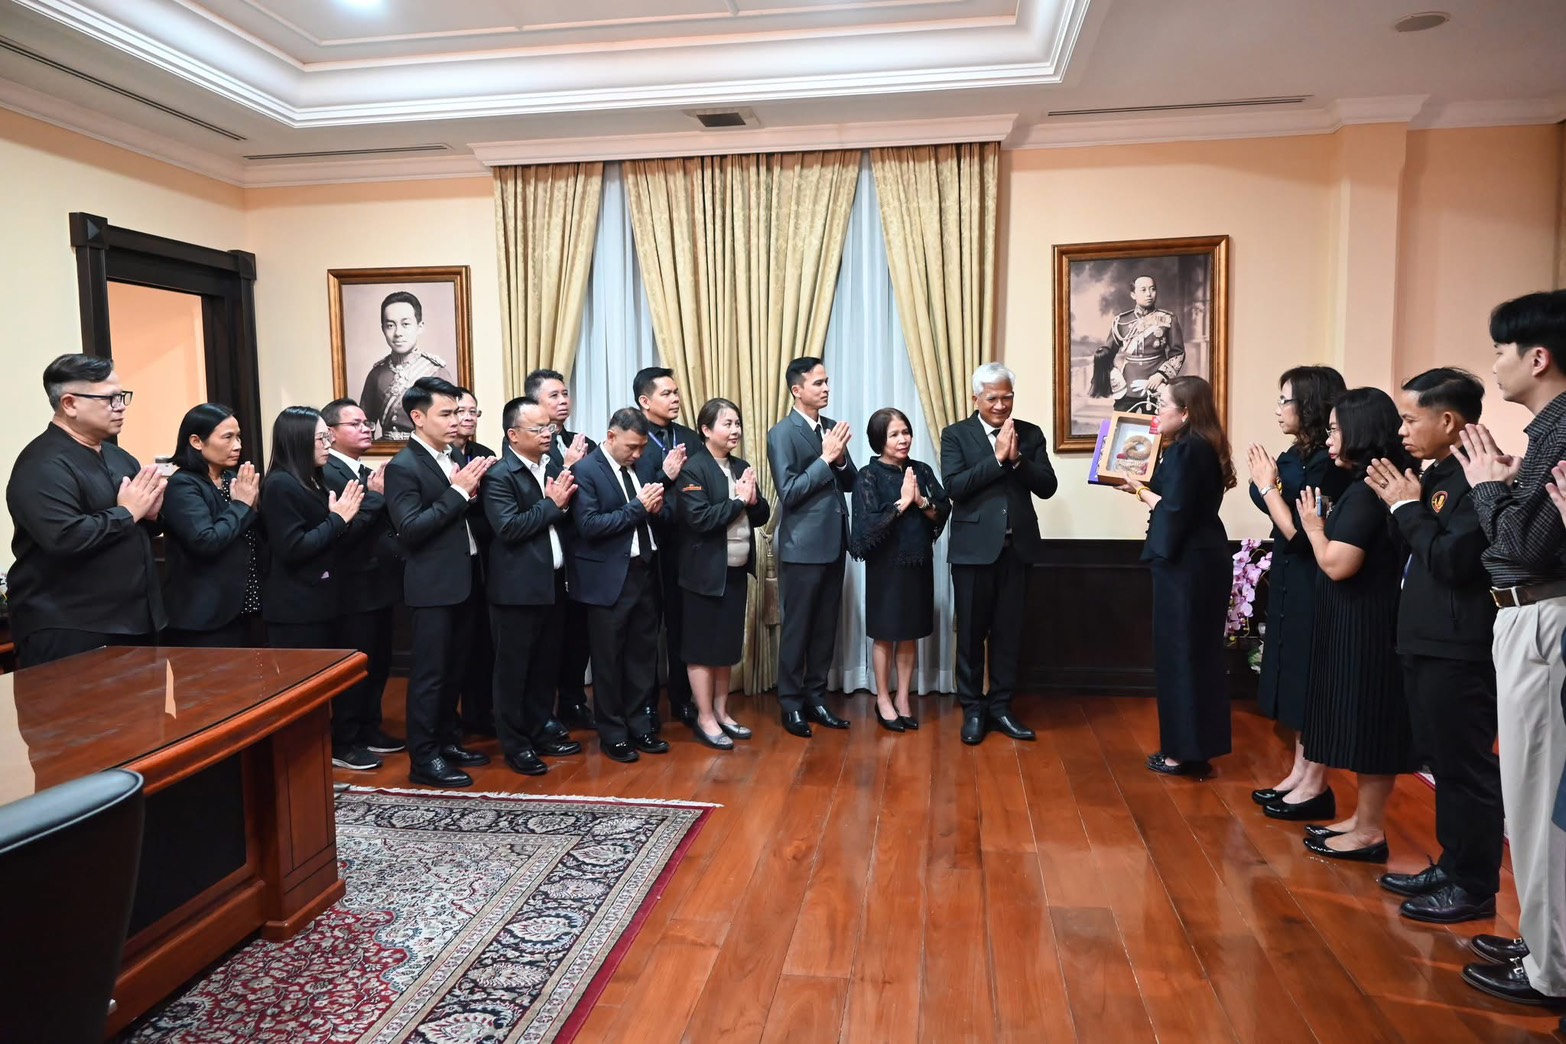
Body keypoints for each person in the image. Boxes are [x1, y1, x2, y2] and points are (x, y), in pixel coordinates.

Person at [1455, 290, 1566, 1006]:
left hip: (1543, 616)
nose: (1494, 364)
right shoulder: (1547, 428)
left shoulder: (1562, 429)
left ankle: (1551, 967)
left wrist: (1486, 489)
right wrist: (1501, 487)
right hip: (1527, 615)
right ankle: (1541, 939)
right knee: (1526, 792)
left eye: (1501, 350)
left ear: (1538, 357)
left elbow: (1522, 548)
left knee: (1538, 794)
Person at [1366, 368, 1501, 923]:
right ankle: (1452, 865)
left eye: (1410, 419)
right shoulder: (1434, 474)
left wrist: (1406, 508)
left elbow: (1452, 561)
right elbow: (1415, 551)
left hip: (1457, 644)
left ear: (1448, 421)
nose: (1401, 430)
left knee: (1465, 768)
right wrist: (1399, 503)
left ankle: (1474, 886)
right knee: (1442, 763)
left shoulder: (1478, 477)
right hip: (1424, 637)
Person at [1269, 389, 1415, 864]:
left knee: (1372, 728)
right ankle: (1361, 821)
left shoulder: (1371, 491)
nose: (1330, 439)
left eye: (1335, 429)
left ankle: (1370, 831)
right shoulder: (1364, 483)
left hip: (1369, 624)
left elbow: (1337, 563)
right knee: (1359, 722)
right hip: (1356, 618)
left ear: (1359, 430)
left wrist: (1313, 527)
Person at [6, 354, 166, 667]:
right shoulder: (42, 464)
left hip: (135, 621)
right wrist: (127, 512)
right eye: (110, 399)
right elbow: (64, 537)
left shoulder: (119, 457)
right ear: (70, 404)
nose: (120, 406)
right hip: (72, 625)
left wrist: (150, 516)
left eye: (122, 396)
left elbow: (133, 527)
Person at [1245, 366, 1350, 807]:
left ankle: (1316, 783)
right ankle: (1300, 773)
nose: (1278, 409)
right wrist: (1269, 487)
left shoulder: (1331, 464)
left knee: (1314, 681)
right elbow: (1274, 505)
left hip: (1317, 579)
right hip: (1289, 578)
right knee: (1294, 678)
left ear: (1308, 405)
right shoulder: (1292, 456)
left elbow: (1301, 535)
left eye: (1284, 400)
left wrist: (1268, 487)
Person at [385, 376, 497, 788]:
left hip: (464, 577)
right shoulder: (403, 466)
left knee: (455, 670)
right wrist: (458, 492)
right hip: (432, 585)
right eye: (446, 413)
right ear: (418, 417)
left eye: (459, 412)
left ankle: (448, 740)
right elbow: (411, 529)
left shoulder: (451, 456)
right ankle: (423, 757)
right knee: (430, 675)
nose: (456, 421)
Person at [941, 362, 1059, 745]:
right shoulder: (956, 435)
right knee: (971, 635)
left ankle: (1002, 707)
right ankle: (973, 709)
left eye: (1007, 397)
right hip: (972, 553)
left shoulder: (1030, 433)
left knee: (1009, 634)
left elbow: (1048, 486)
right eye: (992, 398)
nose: (1001, 405)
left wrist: (1018, 459)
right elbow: (954, 487)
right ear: (975, 398)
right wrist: (996, 460)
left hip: (1017, 550)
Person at [1121, 376, 1234, 775]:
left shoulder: (1188, 450)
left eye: (1163, 404)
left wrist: (1140, 491)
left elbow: (1175, 510)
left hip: (1189, 564)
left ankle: (1184, 754)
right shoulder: (1193, 447)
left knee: (1183, 655)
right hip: (1198, 560)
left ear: (1185, 412)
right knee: (1193, 654)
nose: (1156, 412)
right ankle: (1192, 749)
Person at [259, 407, 370, 767]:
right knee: (303, 689)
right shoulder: (280, 484)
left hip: (325, 599)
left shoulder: (314, 479)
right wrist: (338, 519)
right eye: (321, 437)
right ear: (298, 440)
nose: (328, 444)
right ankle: (304, 761)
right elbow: (293, 548)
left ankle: (335, 747)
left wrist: (343, 520)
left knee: (330, 683)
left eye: (327, 436)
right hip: (296, 607)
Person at [481, 396, 582, 776]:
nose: (547, 434)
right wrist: (553, 504)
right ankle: (516, 745)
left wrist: (560, 504)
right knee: (513, 672)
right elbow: (508, 528)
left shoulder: (551, 466)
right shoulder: (500, 475)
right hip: (516, 590)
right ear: (513, 434)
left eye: (549, 427)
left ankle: (541, 729)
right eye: (538, 429)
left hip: (553, 582)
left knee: (545, 666)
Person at [568, 408, 672, 763]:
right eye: (631, 447)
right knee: (609, 660)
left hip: (645, 571)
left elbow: (655, 514)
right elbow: (589, 525)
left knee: (643, 656)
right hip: (607, 579)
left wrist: (655, 509)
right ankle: (612, 733)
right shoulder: (586, 470)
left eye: (642, 447)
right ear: (611, 437)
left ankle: (640, 725)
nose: (638, 454)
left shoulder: (641, 467)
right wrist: (639, 508)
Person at [766, 356, 858, 737]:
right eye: (818, 383)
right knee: (798, 628)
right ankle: (791, 704)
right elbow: (789, 492)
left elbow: (850, 482)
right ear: (797, 390)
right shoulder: (781, 433)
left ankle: (817, 698)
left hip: (834, 542)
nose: (826, 388)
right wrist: (825, 458)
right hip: (801, 546)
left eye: (826, 381)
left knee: (824, 627)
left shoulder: (831, 428)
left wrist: (840, 460)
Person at [676, 398, 771, 750]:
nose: (735, 430)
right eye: (727, 424)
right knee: (702, 648)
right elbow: (700, 519)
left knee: (727, 646)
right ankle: (704, 717)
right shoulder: (693, 469)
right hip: (704, 574)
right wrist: (738, 502)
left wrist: (752, 500)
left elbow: (760, 515)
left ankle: (721, 711)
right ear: (706, 429)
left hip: (735, 571)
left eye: (737, 423)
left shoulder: (741, 466)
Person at [848, 407, 950, 732]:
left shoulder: (921, 470)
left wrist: (920, 501)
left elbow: (942, 509)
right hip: (886, 568)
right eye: (894, 434)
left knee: (909, 633)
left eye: (906, 432)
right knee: (885, 633)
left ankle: (903, 697)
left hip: (917, 564)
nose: (903, 439)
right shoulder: (868, 475)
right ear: (879, 440)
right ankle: (882, 698)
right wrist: (902, 504)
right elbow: (866, 528)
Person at [322, 397, 406, 758]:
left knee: (379, 661)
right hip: (352, 586)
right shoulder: (329, 473)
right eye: (355, 424)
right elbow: (344, 531)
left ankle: (370, 727)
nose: (366, 428)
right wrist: (375, 497)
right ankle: (346, 739)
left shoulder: (361, 470)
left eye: (367, 422)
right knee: (355, 665)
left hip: (379, 584)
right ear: (330, 433)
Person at [528, 367, 597, 732]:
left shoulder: (583, 442)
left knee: (578, 635)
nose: (563, 401)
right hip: (544, 556)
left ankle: (574, 701)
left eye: (565, 393)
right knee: (547, 642)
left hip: (581, 553)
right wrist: (567, 466)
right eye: (553, 395)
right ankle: (544, 712)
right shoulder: (524, 445)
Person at [161, 403, 263, 647]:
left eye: (238, 437)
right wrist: (242, 505)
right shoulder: (183, 484)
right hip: (204, 615)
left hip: (245, 605)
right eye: (227, 437)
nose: (237, 445)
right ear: (197, 441)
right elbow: (205, 541)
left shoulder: (232, 479)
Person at [634, 366, 701, 731]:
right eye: (667, 393)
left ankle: (681, 698)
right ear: (645, 401)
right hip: (644, 545)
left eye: (676, 392)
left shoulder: (688, 437)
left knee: (682, 626)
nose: (675, 399)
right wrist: (666, 475)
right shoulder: (633, 438)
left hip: (684, 544)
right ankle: (646, 704)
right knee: (646, 630)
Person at [450, 387, 498, 737]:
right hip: (452, 560)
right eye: (460, 411)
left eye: (474, 412)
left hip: (484, 558)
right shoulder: (440, 458)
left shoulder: (484, 455)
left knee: (483, 644)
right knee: (453, 651)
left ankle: (480, 715)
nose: (468, 418)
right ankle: (449, 723)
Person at [359, 290, 456, 441]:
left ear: (420, 326)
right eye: (390, 325)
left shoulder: (437, 372)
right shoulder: (376, 374)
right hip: (382, 450)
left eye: (405, 324)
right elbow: (366, 425)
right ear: (383, 328)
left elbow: (450, 424)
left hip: (423, 450)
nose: (398, 332)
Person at [1091, 274, 1186, 413]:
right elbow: (1108, 353)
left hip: (1157, 384)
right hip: (1127, 385)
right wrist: (1109, 371)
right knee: (1122, 423)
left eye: (1152, 289)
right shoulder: (1121, 321)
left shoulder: (1168, 319)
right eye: (1143, 290)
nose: (1149, 294)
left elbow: (1178, 354)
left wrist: (1161, 375)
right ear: (1133, 294)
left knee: (1157, 425)